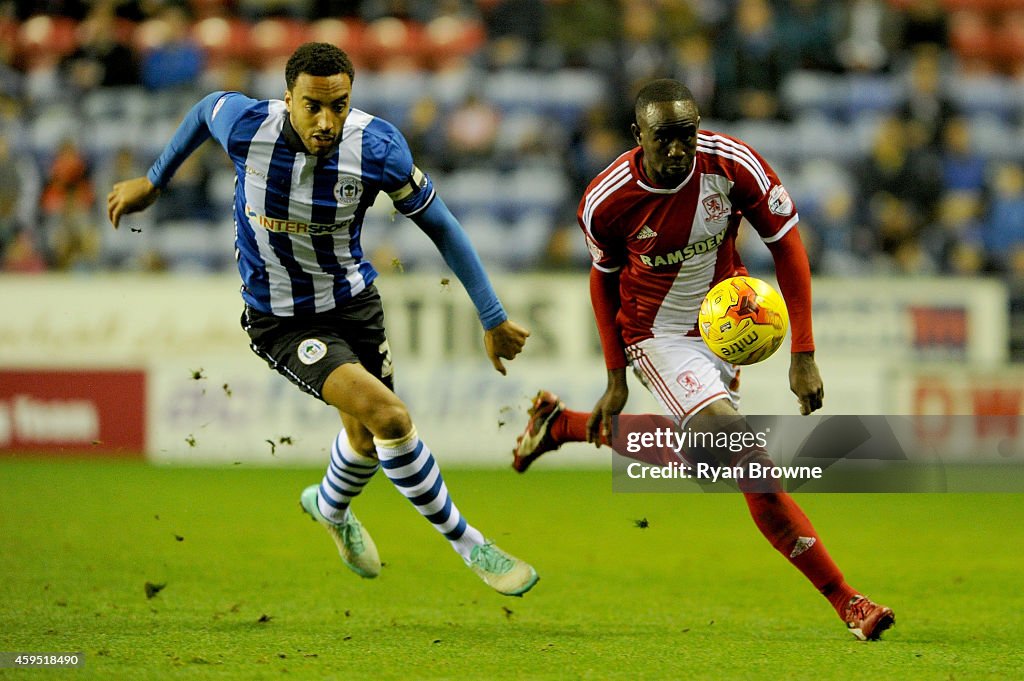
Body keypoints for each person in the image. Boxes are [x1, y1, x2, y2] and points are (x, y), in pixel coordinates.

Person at [107, 42, 538, 597]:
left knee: (362, 439)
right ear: (288, 98)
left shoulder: (377, 146)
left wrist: (492, 316)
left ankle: (329, 507)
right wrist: (153, 181)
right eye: (313, 105)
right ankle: (472, 545)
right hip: (282, 322)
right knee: (390, 418)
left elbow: (443, 226)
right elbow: (202, 109)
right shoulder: (246, 125)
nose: (327, 120)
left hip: (355, 303)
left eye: (338, 105)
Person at [512, 78, 894, 638]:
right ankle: (848, 601)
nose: (677, 148)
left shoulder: (733, 165)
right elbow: (603, 284)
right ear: (636, 136)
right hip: (656, 335)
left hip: (723, 325)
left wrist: (803, 353)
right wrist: (615, 376)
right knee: (749, 463)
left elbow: (787, 245)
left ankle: (562, 424)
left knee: (714, 464)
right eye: (663, 137)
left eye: (686, 134)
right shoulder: (606, 200)